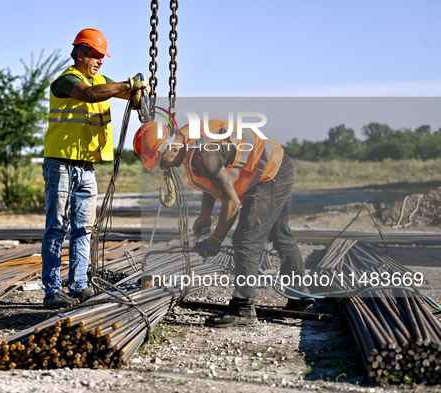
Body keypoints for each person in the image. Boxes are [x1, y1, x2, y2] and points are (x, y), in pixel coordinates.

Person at [133, 119, 314, 327]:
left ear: (171, 146)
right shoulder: (187, 136)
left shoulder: (203, 153)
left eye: (161, 159)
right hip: (277, 166)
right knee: (280, 233)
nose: (163, 166)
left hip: (269, 175)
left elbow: (232, 202)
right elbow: (214, 179)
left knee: (246, 239)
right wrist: (205, 214)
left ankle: (243, 308)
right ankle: (300, 295)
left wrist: (215, 240)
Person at [42, 28, 147, 309]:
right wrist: (128, 84)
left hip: (87, 169)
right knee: (56, 228)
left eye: (103, 57)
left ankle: (79, 285)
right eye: (95, 55)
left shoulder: (101, 80)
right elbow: (89, 94)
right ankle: (52, 291)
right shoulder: (66, 81)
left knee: (84, 229)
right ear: (79, 53)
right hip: (61, 167)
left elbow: (120, 91)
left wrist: (138, 91)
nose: (100, 61)